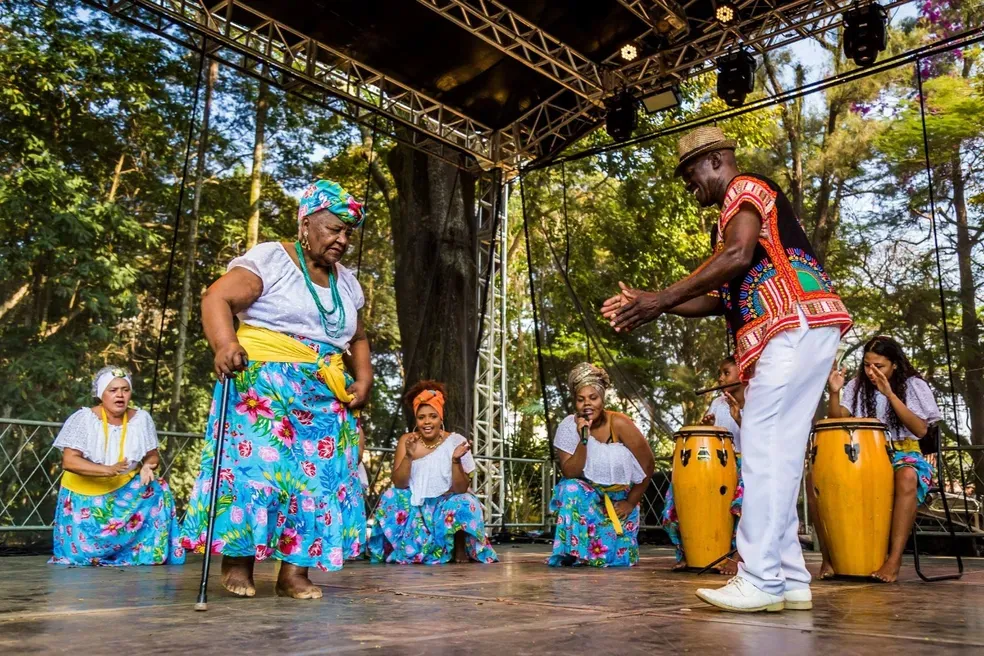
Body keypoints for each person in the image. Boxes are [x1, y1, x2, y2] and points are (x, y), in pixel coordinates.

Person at [602, 126, 852, 612]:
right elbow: (719, 296)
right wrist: (655, 304)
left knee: (761, 448)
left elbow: (737, 257)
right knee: (776, 452)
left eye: (689, 172)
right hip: (807, 326)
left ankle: (758, 577)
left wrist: (660, 300)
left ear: (716, 159)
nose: (686, 183)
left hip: (791, 323)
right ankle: (787, 577)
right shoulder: (733, 218)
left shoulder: (745, 188)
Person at [179, 179, 372, 599]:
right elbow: (216, 298)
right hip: (264, 388)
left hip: (322, 394)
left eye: (347, 233)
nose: (342, 239)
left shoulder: (348, 283)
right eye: (333, 228)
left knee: (317, 482)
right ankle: (238, 563)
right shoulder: (273, 259)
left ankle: (294, 574)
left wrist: (363, 377)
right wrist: (226, 343)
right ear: (306, 223)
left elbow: (357, 337)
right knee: (258, 475)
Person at [818, 335, 941, 583]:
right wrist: (834, 392)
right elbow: (837, 418)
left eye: (879, 366)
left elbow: (920, 430)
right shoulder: (856, 386)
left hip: (907, 454)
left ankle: (893, 560)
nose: (871, 371)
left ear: (894, 364)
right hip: (867, 457)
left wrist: (890, 394)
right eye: (867, 365)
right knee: (818, 479)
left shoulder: (913, 385)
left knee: (906, 476)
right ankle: (830, 557)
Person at [49, 367, 184, 566]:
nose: (120, 395)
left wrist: (148, 466)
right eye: (113, 390)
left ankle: (144, 551)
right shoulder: (84, 419)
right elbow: (69, 461)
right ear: (100, 394)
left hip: (124, 488)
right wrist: (107, 470)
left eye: (125, 389)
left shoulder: (141, 419)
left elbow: (153, 455)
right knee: (78, 558)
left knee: (158, 488)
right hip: (85, 492)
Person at [368, 381, 497, 564]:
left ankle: (459, 547)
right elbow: (399, 484)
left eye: (432, 416)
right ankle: (398, 546)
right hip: (416, 503)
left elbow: (461, 488)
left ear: (440, 418)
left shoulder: (456, 441)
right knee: (391, 495)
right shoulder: (407, 440)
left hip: (445, 502)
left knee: (466, 501)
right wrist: (409, 457)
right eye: (421, 417)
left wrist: (455, 461)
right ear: (416, 419)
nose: (427, 422)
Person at [549, 363, 655, 567]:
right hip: (587, 500)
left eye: (593, 398)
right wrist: (584, 438)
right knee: (570, 488)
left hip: (619, 502)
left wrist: (631, 502)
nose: (587, 404)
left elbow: (648, 465)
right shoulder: (568, 427)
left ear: (602, 399)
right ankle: (574, 551)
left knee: (616, 560)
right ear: (575, 402)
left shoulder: (620, 423)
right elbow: (570, 472)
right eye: (581, 400)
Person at [662, 356, 744, 574]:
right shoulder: (718, 403)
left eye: (726, 372)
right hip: (716, 466)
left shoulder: (758, 400)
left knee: (749, 492)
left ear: (743, 372)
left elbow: (763, 439)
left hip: (748, 464)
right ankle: (691, 550)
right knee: (677, 494)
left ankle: (739, 554)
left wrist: (740, 420)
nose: (720, 378)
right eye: (721, 373)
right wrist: (705, 426)